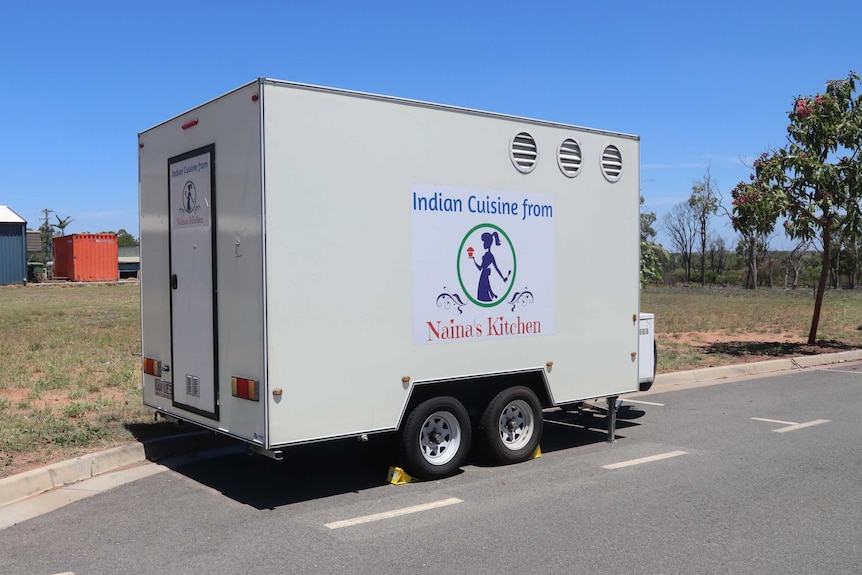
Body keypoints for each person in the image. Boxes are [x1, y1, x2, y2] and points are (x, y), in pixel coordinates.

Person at [473, 231, 510, 302]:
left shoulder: (489, 256)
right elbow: (495, 268)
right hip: (483, 276)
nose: (483, 244)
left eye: (484, 242)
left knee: (483, 295)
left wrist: (473, 260)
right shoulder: (488, 255)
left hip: (483, 276)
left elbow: (482, 268)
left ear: (488, 243)